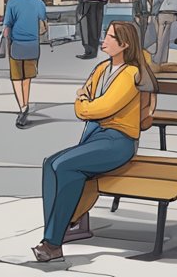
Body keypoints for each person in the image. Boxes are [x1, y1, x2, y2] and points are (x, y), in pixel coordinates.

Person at [32, 22, 148, 263]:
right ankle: (57, 230)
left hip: (120, 140)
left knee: (65, 166)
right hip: (96, 137)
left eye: (109, 36)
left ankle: (53, 242)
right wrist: (85, 104)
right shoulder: (101, 68)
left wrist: (84, 104)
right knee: (50, 163)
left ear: (124, 44)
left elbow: (100, 106)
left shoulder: (131, 73)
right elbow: (83, 98)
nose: (103, 40)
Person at [2, 0, 46, 128]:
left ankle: (22, 106)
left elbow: (7, 26)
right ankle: (26, 104)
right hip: (33, 44)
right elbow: (43, 24)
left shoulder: (12, 2)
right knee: (27, 78)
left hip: (16, 44)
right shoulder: (39, 2)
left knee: (16, 78)